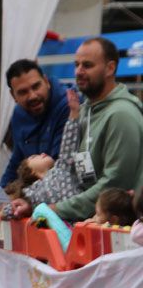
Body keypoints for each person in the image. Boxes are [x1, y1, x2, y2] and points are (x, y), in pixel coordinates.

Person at [36, 38, 143, 221]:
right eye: (76, 64)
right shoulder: (84, 110)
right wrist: (27, 199)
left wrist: (59, 209)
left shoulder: (121, 115)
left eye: (87, 65)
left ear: (110, 68)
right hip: (91, 224)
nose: (79, 71)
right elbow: (71, 171)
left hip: (120, 234)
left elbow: (115, 184)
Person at [0, 59, 71, 187]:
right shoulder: (18, 114)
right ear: (13, 95)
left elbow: (60, 166)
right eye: (23, 92)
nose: (32, 96)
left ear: (46, 81)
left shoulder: (68, 105)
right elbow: (16, 162)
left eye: (36, 86)